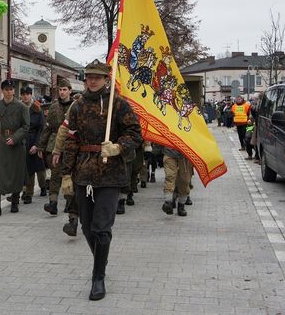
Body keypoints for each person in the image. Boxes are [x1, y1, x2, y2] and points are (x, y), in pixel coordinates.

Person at [61, 59, 142, 301]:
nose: (93, 80)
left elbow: (134, 133)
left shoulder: (118, 104)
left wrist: (118, 147)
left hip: (110, 173)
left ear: (107, 79)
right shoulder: (77, 106)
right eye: (89, 76)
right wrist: (66, 173)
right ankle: (101, 262)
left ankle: (98, 277)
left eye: (97, 77)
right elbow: (71, 140)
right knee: (86, 227)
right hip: (84, 173)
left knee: (101, 227)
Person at [38, 78, 79, 236]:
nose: (62, 92)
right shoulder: (53, 107)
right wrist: (41, 145)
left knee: (69, 176)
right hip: (54, 144)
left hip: (70, 145)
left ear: (70, 90)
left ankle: (70, 204)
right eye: (60, 90)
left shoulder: (75, 106)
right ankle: (53, 202)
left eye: (64, 89)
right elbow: (47, 128)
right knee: (55, 175)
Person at [0, 79, 29, 215]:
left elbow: (26, 126)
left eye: (11, 89)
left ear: (14, 91)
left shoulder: (22, 107)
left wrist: (15, 138)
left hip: (15, 145)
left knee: (16, 173)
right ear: (2, 91)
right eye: (6, 89)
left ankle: (15, 202)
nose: (9, 92)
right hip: (0, 143)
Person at [20, 86, 46, 204]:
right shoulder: (18, 108)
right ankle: (25, 192)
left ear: (31, 95)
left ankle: (41, 187)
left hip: (34, 139)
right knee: (24, 168)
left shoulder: (37, 109)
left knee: (37, 167)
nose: (25, 96)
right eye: (23, 94)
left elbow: (42, 128)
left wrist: (37, 144)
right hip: (21, 140)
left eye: (27, 94)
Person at [161, 146, 193, 217]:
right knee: (170, 177)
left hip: (185, 156)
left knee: (184, 181)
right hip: (169, 153)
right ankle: (168, 202)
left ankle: (181, 205)